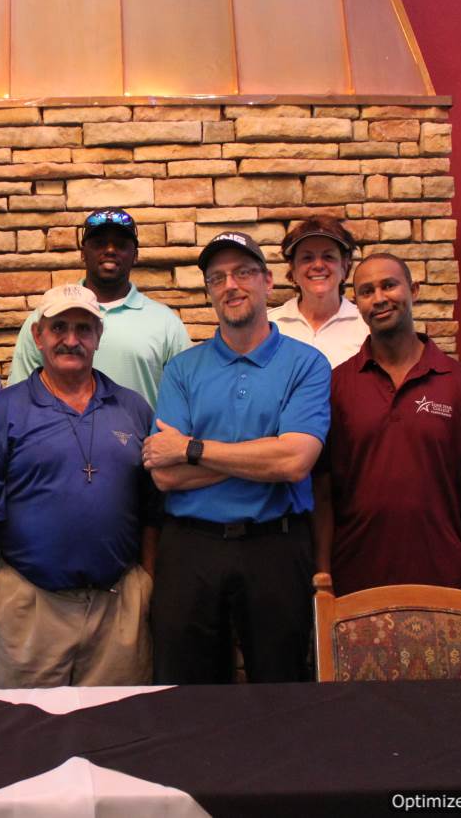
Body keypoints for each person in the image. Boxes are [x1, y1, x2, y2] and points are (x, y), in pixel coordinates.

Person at [143, 231, 330, 684]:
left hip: (275, 547)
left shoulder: (307, 364)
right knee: (187, 692)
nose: (231, 285)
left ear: (268, 282)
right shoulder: (183, 368)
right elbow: (165, 477)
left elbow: (294, 462)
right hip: (191, 547)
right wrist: (262, 450)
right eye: (218, 278)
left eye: (244, 273)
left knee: (281, 688)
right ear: (209, 292)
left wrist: (194, 448)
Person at [0, 284, 158, 688]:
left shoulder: (133, 408)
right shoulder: (4, 410)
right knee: (19, 734)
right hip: (28, 605)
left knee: (117, 732)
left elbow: (152, 508)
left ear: (99, 337)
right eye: (59, 327)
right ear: (38, 336)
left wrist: (148, 585)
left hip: (118, 607)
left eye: (83, 328)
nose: (71, 339)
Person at [313, 253, 461, 596]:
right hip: (355, 580)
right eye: (367, 291)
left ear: (413, 290)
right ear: (357, 305)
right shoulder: (335, 387)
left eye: (389, 285)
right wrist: (323, 580)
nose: (380, 298)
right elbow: (322, 495)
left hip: (447, 580)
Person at [7, 208, 190, 407]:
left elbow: (187, 397)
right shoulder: (47, 318)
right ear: (83, 253)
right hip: (55, 436)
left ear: (135, 255)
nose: (110, 250)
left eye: (120, 244)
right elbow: (18, 399)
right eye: (99, 243)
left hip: (140, 437)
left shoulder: (165, 323)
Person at [267, 218, 366, 368]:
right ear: (293, 269)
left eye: (328, 256)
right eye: (307, 258)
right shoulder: (269, 326)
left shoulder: (366, 326)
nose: (318, 265)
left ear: (344, 266)